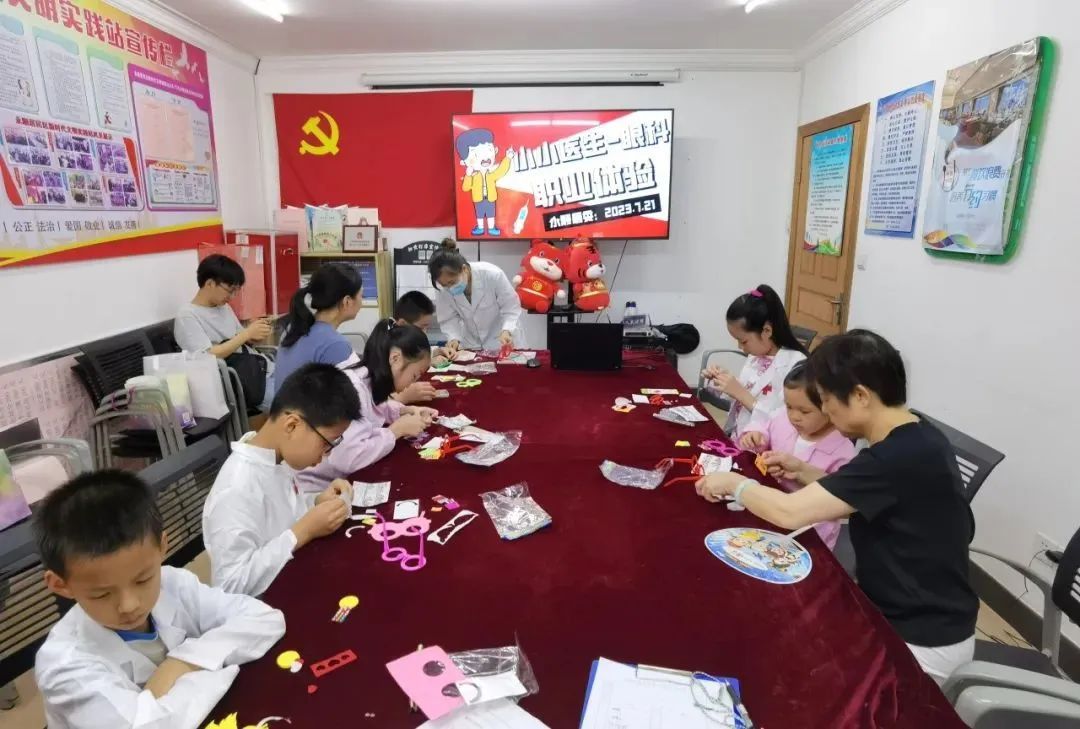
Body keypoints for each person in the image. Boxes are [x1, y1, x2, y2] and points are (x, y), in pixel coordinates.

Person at [695, 330, 978, 683]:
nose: (826, 410)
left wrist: (735, 484)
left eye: (827, 399)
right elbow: (867, 496)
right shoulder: (919, 435)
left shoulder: (893, 458)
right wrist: (803, 470)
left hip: (919, 638)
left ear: (860, 396)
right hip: (917, 612)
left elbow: (789, 512)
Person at [34, 470, 285, 729]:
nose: (130, 605)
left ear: (162, 546)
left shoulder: (173, 583)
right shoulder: (63, 666)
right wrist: (213, 663)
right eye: (102, 594)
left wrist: (181, 663)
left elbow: (265, 619)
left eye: (143, 580)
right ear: (60, 585)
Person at [202, 363, 361, 596]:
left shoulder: (277, 457)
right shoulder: (236, 489)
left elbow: (284, 513)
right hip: (268, 602)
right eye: (326, 443)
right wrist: (303, 531)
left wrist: (316, 501)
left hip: (296, 570)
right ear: (292, 425)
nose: (326, 454)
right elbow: (230, 586)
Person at [297, 320, 437, 492]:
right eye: (414, 375)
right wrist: (396, 431)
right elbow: (347, 458)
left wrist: (403, 411)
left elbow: (375, 406)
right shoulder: (353, 388)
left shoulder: (366, 377)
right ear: (395, 358)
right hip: (316, 488)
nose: (412, 383)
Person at [737, 362, 855, 549]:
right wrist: (756, 436)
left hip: (810, 530)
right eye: (789, 406)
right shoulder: (783, 420)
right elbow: (764, 426)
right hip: (770, 509)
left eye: (804, 411)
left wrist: (802, 476)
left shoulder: (843, 451)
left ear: (829, 408)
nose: (794, 416)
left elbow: (841, 499)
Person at [701, 284, 807, 438]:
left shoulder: (795, 364)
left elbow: (788, 421)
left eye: (743, 341)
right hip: (740, 435)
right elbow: (749, 392)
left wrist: (742, 394)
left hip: (766, 444)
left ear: (767, 331)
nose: (740, 347)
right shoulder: (756, 356)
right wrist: (722, 382)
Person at [174, 254, 275, 411]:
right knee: (297, 407)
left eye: (236, 291)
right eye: (230, 290)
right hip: (242, 380)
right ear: (209, 283)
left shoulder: (224, 307)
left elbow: (240, 339)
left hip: (260, 367)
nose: (232, 297)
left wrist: (255, 334)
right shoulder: (187, 316)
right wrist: (247, 334)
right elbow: (208, 356)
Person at [273, 262, 362, 391]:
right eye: (361, 295)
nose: (361, 302)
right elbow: (356, 397)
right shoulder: (335, 345)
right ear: (347, 301)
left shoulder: (294, 328)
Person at [428, 239, 525, 356]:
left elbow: (511, 308)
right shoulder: (443, 288)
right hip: (471, 343)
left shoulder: (492, 274)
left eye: (452, 282)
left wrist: (507, 329)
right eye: (445, 285)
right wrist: (454, 338)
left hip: (502, 339)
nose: (450, 288)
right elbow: (448, 318)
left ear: (464, 269)